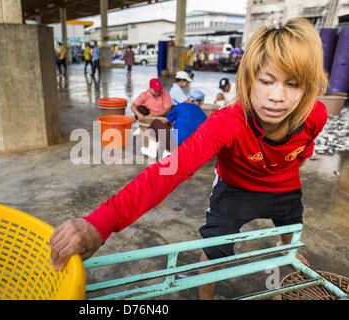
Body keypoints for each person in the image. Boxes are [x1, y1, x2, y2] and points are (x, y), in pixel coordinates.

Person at [49, 17, 328, 300]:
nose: (277, 96)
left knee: (292, 230)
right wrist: (101, 221)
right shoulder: (227, 122)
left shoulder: (315, 115)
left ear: (308, 88)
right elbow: (169, 169)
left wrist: (280, 168)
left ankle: (286, 247)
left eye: (292, 84)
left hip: (284, 186)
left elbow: (303, 151)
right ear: (248, 79)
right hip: (236, 189)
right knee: (215, 247)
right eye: (266, 81)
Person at [141, 90, 208, 159]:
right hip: (193, 150)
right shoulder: (204, 116)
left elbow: (165, 121)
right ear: (202, 102)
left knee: (156, 123)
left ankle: (152, 151)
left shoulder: (181, 106)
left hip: (176, 145)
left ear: (189, 100)